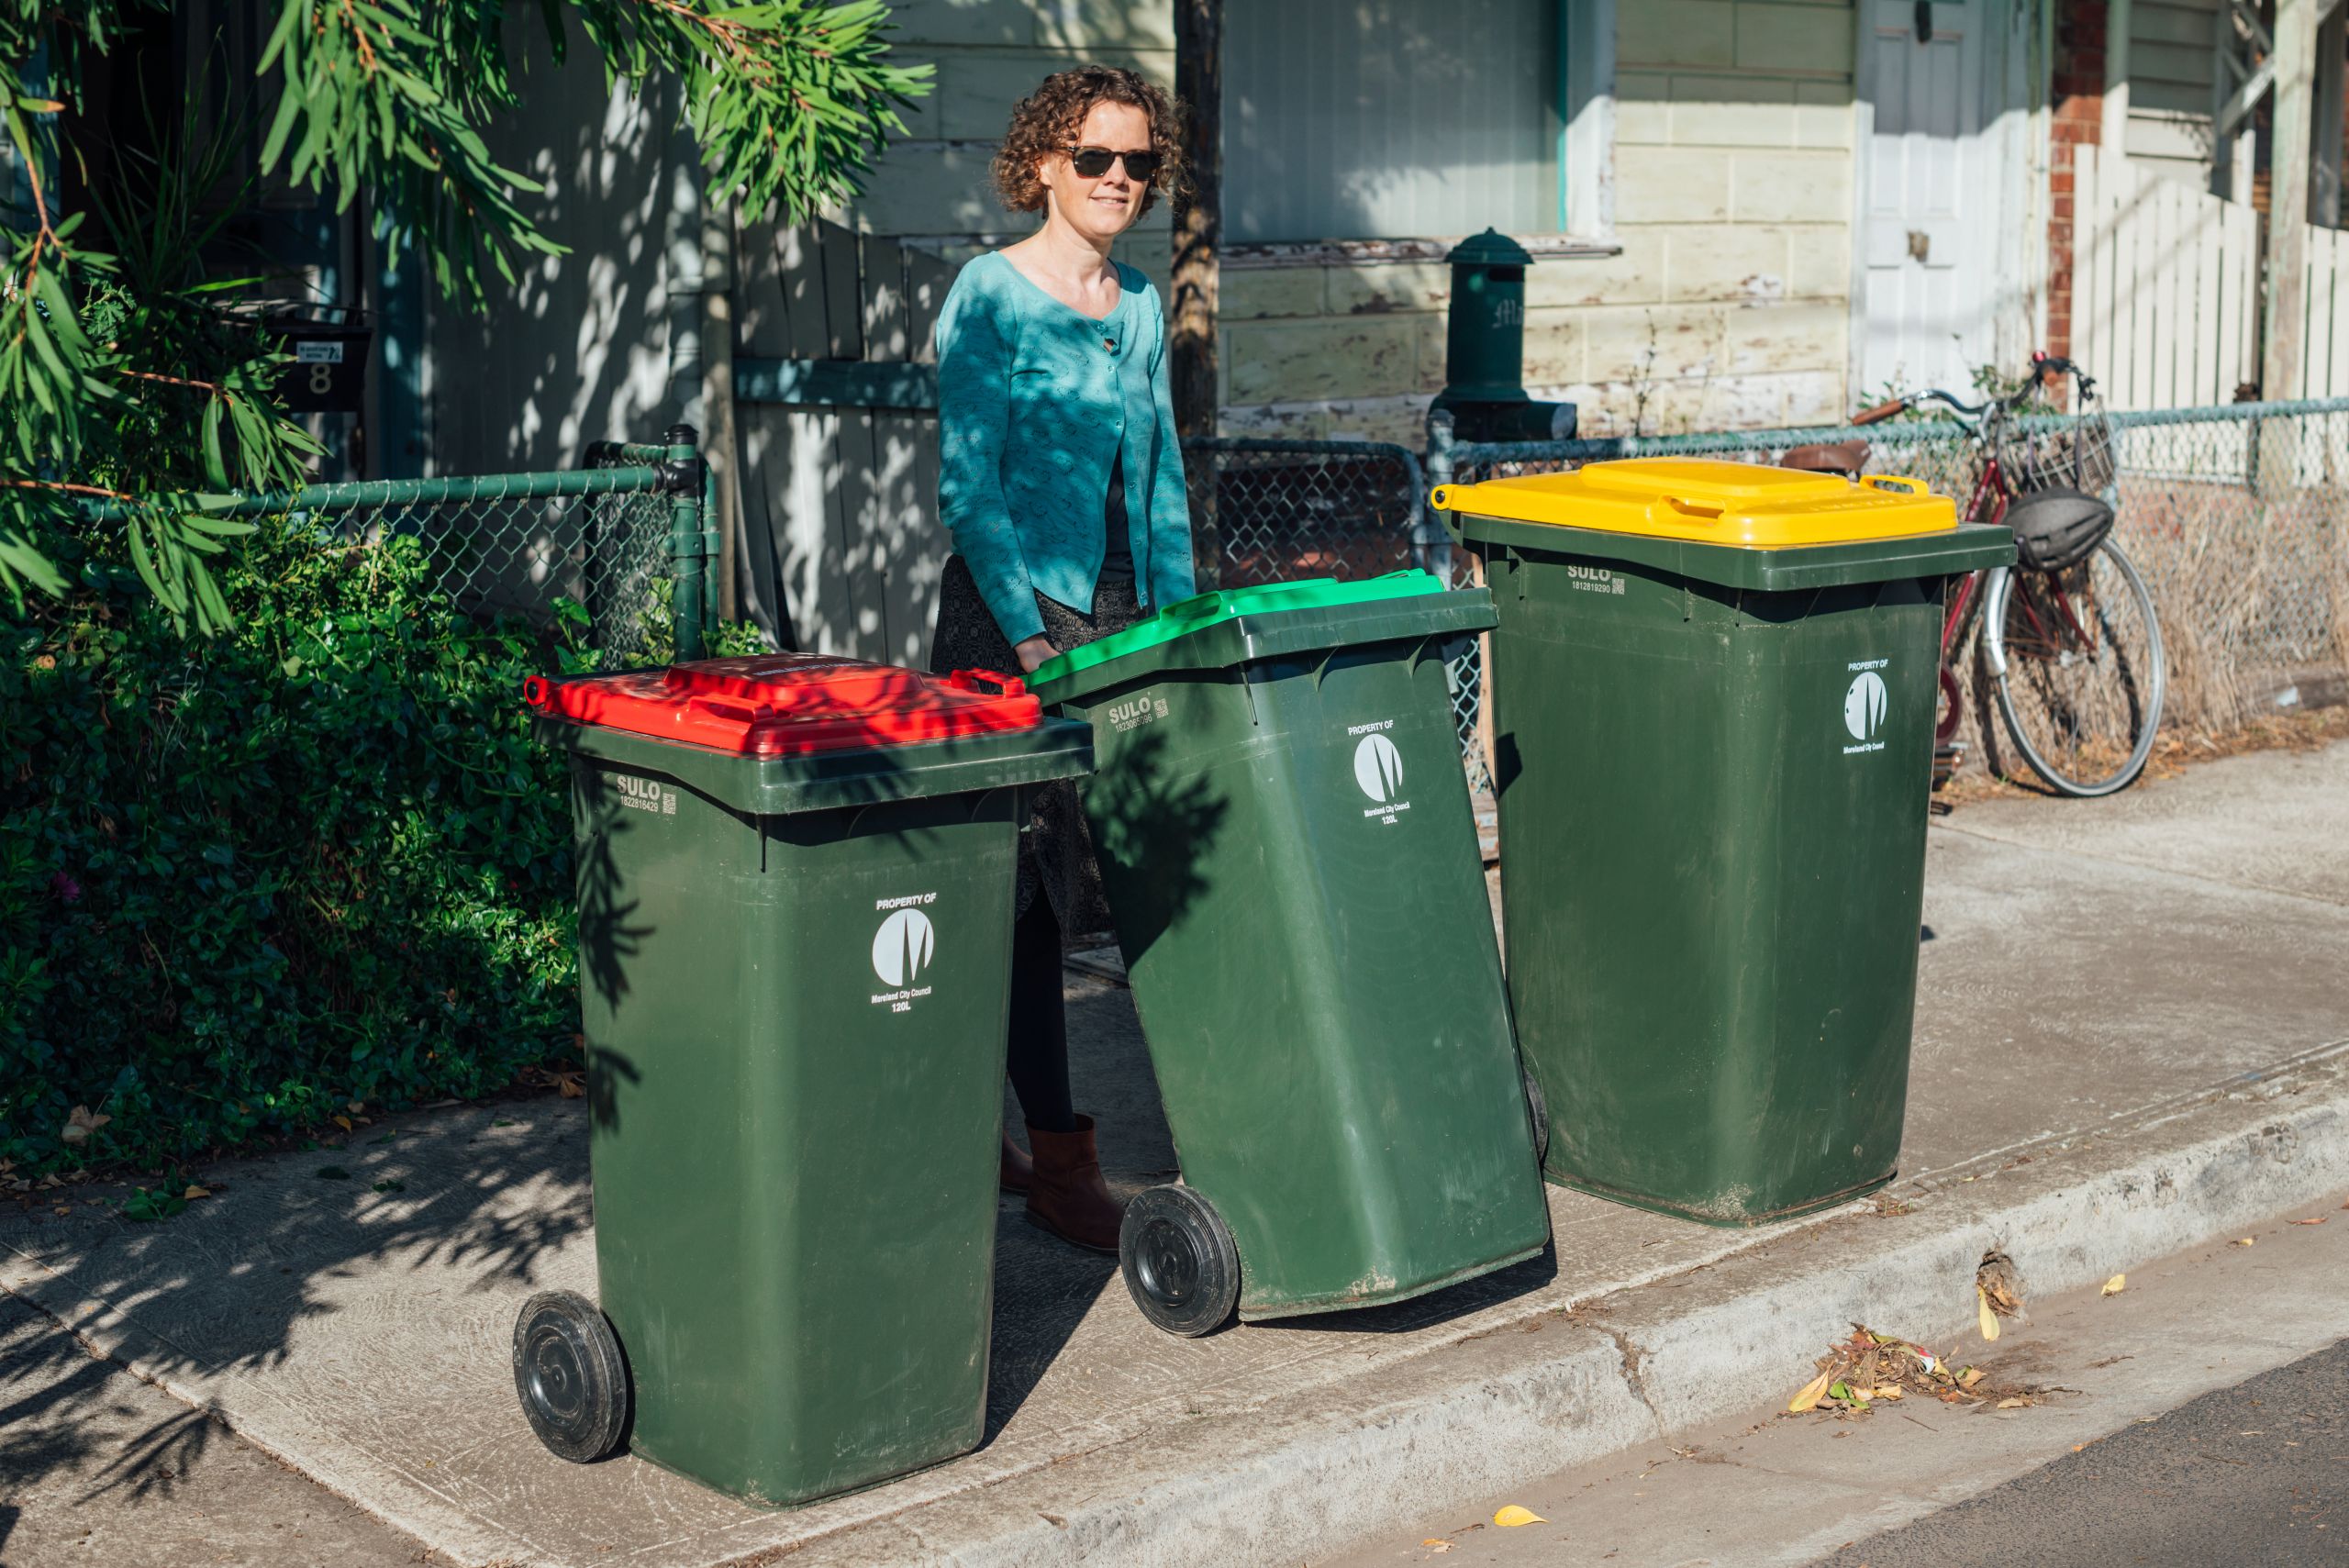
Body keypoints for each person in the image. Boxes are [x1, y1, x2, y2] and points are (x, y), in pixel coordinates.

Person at [930, 65, 1195, 1252]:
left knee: (1134, 864)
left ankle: (1007, 1134)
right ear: (1044, 163)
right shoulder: (988, 294)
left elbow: (1160, 477)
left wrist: (1180, 628)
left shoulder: (1137, 304)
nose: (1119, 180)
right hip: (1006, 618)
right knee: (1023, 895)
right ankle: (1054, 1154)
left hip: (1116, 610)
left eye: (1138, 162)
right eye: (1096, 158)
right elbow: (966, 480)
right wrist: (1027, 633)